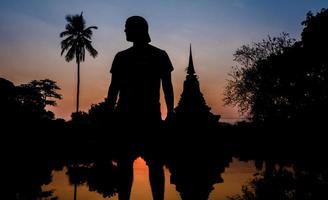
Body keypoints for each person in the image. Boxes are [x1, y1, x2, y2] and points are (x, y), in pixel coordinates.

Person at [106, 16, 174, 200]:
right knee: (127, 165)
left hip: (147, 117)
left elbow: (167, 87)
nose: (125, 31)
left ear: (139, 30)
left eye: (127, 27)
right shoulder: (122, 57)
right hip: (128, 117)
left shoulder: (159, 55)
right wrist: (109, 112)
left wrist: (171, 112)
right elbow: (114, 88)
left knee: (153, 164)